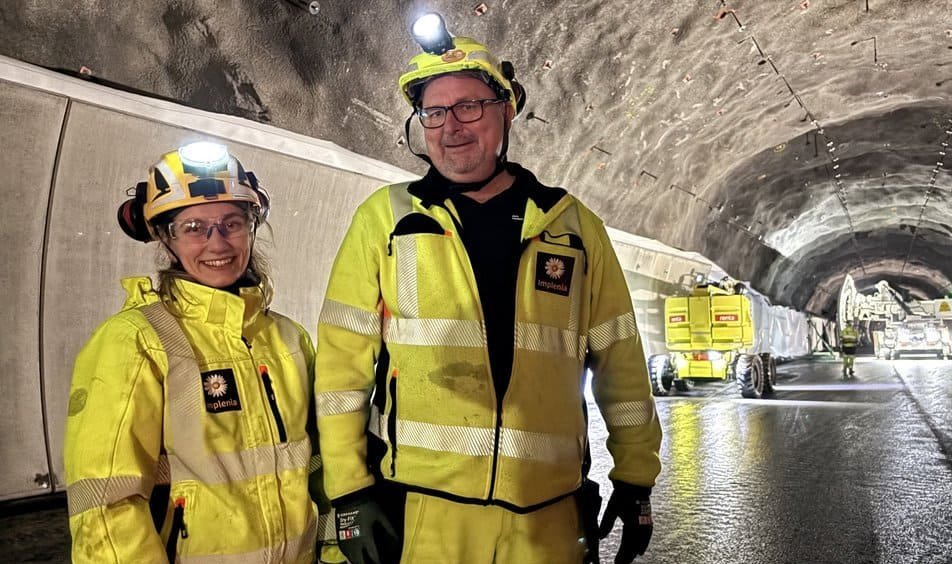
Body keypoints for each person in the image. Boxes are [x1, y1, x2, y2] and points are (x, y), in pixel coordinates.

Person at [314, 15, 662, 564]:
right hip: (426, 516)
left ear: (507, 110)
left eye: (469, 107)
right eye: (434, 112)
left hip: (548, 518)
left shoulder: (572, 228)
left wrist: (636, 478)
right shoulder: (386, 221)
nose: (450, 126)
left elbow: (620, 360)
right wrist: (350, 491)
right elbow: (341, 372)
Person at [63, 143, 342, 563]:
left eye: (232, 223)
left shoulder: (288, 339)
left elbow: (319, 470)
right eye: (194, 227)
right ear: (165, 237)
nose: (218, 243)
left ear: (252, 227)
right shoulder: (135, 342)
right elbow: (107, 508)